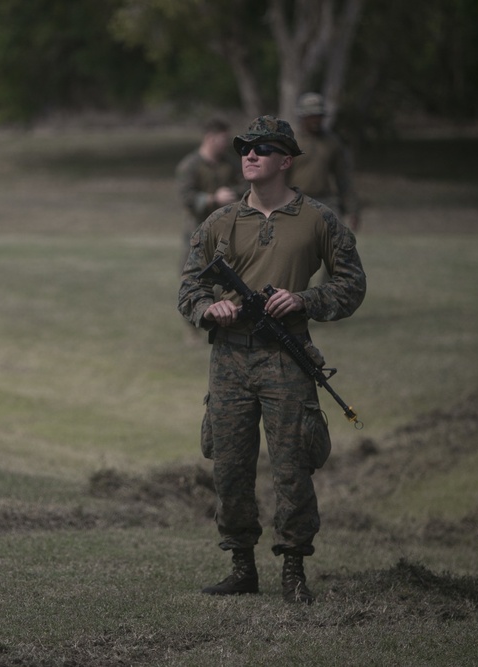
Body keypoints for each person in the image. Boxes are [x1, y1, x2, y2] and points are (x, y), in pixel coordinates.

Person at [178, 116, 366, 604]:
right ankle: (242, 567)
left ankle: (294, 571)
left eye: (263, 147)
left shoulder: (319, 220)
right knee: (231, 468)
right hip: (230, 360)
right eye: (244, 147)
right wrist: (208, 308)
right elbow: (189, 289)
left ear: (286, 159)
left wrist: (305, 300)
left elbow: (352, 285)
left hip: (287, 357)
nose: (250, 154)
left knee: (291, 468)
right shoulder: (218, 223)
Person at [175, 116, 244, 343]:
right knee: (193, 279)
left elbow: (245, 184)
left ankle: (220, 324)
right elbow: (186, 197)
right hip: (197, 232)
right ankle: (191, 328)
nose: (226, 144)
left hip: (225, 232)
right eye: (223, 139)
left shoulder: (230, 164)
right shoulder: (190, 165)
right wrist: (213, 199)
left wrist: (233, 192)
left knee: (226, 279)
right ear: (210, 138)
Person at [288, 93, 360, 232]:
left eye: (319, 115)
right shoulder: (290, 141)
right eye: (311, 116)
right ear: (303, 117)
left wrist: (352, 209)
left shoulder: (332, 143)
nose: (316, 120)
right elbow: (276, 175)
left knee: (335, 239)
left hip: (324, 199)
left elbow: (343, 178)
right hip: (294, 199)